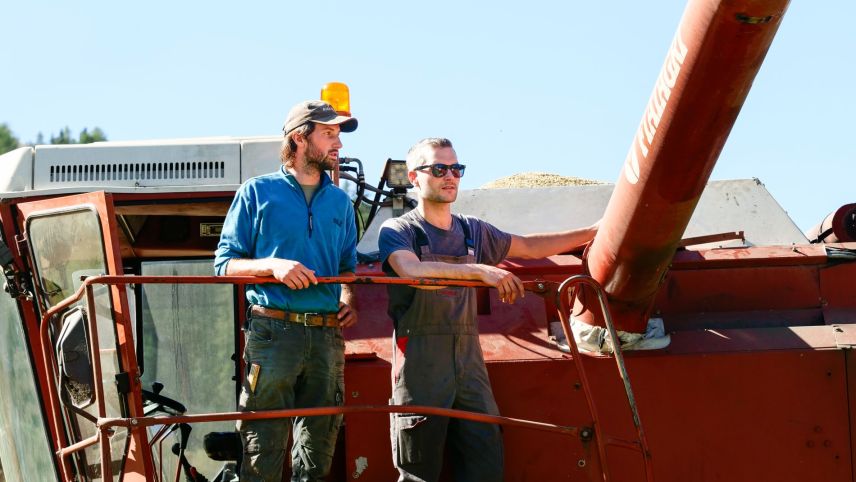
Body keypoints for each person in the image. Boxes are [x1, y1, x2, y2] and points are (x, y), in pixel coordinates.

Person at [378, 137, 598, 482]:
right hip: (420, 364)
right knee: (418, 472)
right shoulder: (399, 230)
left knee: (485, 462)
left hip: (469, 364)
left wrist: (593, 233)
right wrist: (481, 271)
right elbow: (412, 270)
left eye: (456, 168)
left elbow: (527, 246)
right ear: (414, 177)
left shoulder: (472, 230)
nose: (449, 176)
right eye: (438, 168)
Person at [214, 100, 359, 482]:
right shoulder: (256, 193)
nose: (338, 145)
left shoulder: (341, 203)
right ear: (299, 138)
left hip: (328, 336)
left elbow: (348, 268)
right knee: (262, 452)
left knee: (318, 452)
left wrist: (347, 299)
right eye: (329, 134)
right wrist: (273, 266)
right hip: (273, 333)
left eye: (339, 136)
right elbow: (224, 263)